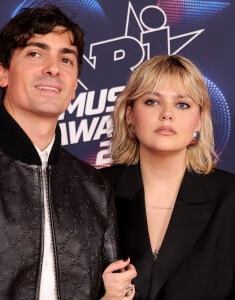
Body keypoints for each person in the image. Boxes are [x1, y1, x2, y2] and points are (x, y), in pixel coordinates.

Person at [0, 6, 120, 299]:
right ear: (3, 72)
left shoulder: (95, 188)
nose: (53, 68)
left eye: (66, 59)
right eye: (36, 53)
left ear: (74, 87)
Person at [101, 54, 235, 299]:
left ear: (199, 120)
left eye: (182, 104)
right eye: (152, 101)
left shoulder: (230, 197)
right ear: (130, 115)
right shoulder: (95, 190)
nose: (167, 114)